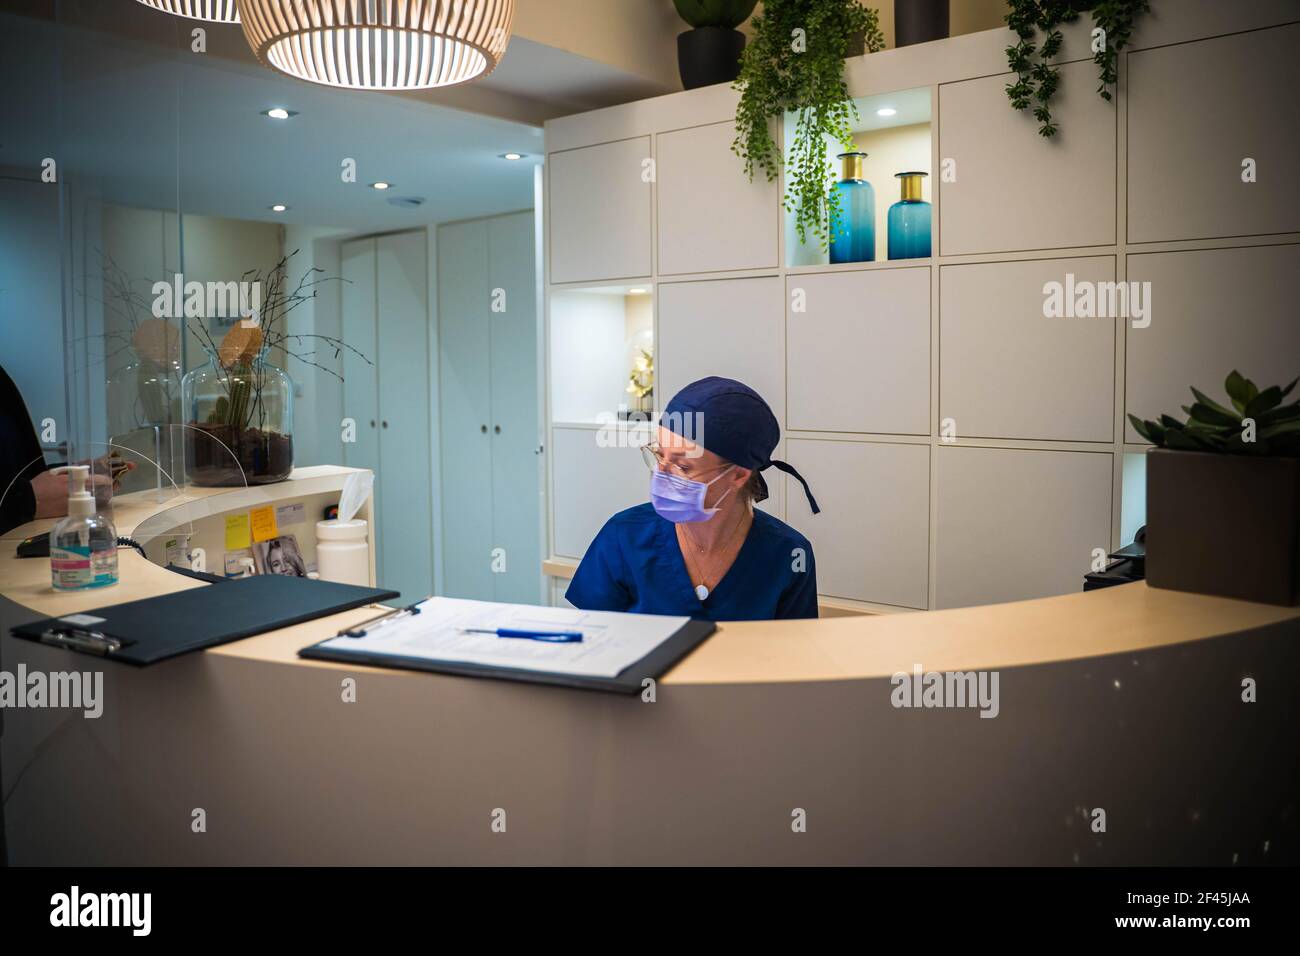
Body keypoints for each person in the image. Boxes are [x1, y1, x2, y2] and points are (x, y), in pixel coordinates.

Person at [567, 376, 820, 621]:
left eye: (683, 467)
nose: (661, 474)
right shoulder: (623, 536)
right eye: (659, 455)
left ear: (738, 475)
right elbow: (590, 642)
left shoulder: (789, 554)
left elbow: (794, 656)